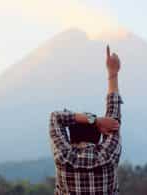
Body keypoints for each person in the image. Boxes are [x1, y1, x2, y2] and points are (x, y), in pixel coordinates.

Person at [49, 45, 123, 195]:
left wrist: (95, 120)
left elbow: (55, 117)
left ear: (70, 137)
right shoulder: (107, 155)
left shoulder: (64, 157)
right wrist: (112, 73)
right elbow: (113, 117)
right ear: (98, 135)